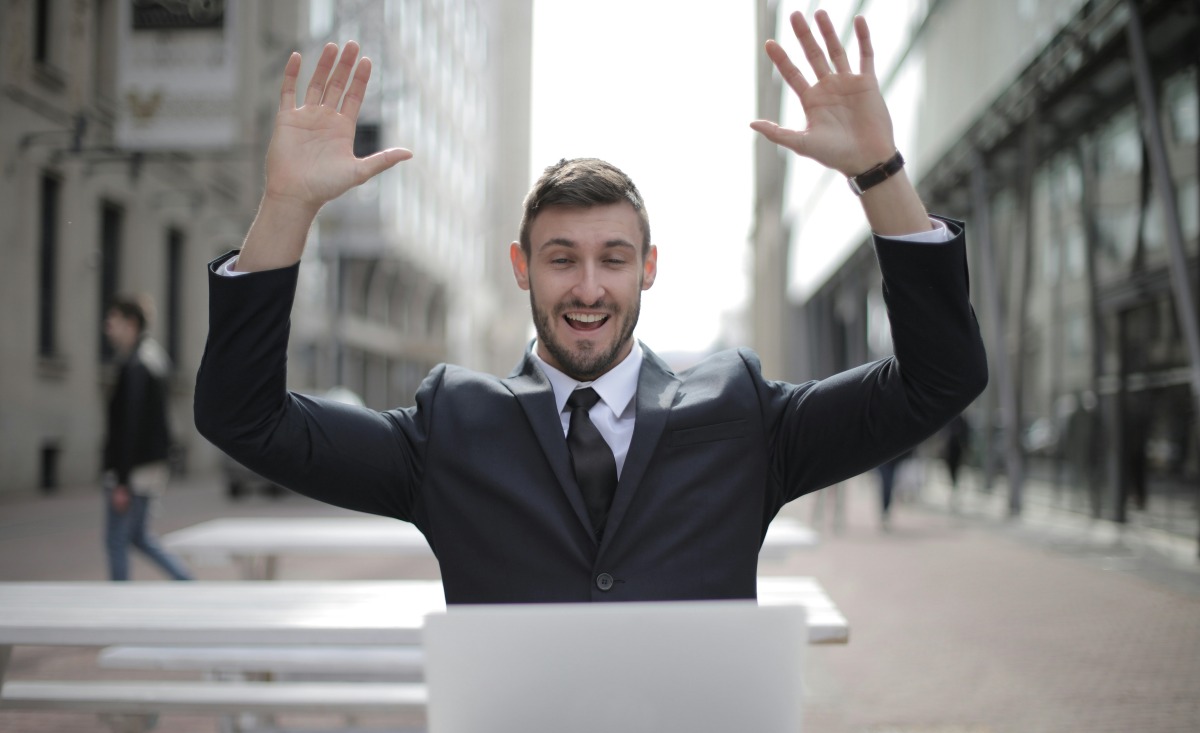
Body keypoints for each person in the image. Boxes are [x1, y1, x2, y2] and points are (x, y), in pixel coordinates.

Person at [195, 11, 987, 603]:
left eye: (613, 259)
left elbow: (939, 380)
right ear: (521, 269)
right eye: (561, 259)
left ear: (648, 270)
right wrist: (287, 207)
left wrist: (880, 174)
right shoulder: (450, 430)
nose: (586, 288)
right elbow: (244, 418)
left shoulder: (744, 417)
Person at [102, 295, 192, 581]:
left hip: (135, 469)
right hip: (148, 466)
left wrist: (122, 480)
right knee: (138, 536)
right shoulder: (150, 358)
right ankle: (188, 583)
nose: (108, 328)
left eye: (113, 321)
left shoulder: (138, 364)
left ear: (131, 324)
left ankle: (120, 604)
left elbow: (131, 427)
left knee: (117, 539)